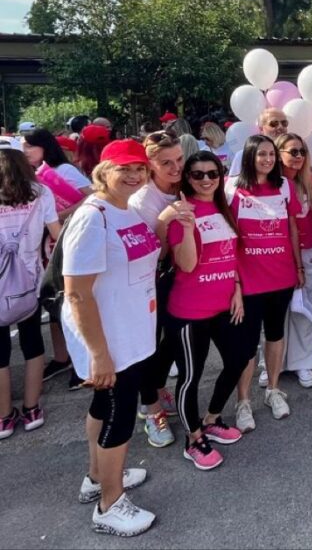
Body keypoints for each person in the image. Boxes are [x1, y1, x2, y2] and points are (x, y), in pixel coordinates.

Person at [61, 139, 161, 537]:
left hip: (131, 330)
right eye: (125, 168)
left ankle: (96, 477)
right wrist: (99, 354)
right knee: (120, 414)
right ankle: (110, 505)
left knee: (104, 404)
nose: (134, 175)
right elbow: (76, 293)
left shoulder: (126, 209)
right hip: (110, 338)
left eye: (140, 168)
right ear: (104, 172)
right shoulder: (92, 217)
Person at [164, 152, 248, 471]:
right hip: (189, 312)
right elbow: (186, 265)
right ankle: (193, 438)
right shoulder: (181, 212)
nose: (206, 180)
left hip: (223, 306)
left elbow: (232, 254)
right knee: (191, 376)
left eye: (212, 173)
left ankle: (211, 419)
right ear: (187, 178)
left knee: (238, 359)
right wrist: (187, 228)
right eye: (198, 174)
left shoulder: (223, 208)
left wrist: (236, 287)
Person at [226, 135, 302, 430]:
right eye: (261, 154)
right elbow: (228, 235)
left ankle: (273, 389)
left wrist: (298, 266)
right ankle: (243, 401)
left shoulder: (285, 186)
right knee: (246, 343)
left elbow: (292, 228)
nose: (268, 159)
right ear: (249, 156)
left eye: (271, 154)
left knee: (275, 334)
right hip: (248, 279)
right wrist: (233, 279)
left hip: (280, 275)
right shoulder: (232, 187)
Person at [129, 130, 186, 449]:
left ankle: (157, 387)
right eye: (166, 163)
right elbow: (153, 254)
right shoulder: (142, 201)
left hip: (182, 279)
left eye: (179, 159)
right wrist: (165, 221)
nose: (176, 167)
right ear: (150, 165)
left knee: (175, 340)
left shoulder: (184, 185)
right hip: (149, 282)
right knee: (149, 346)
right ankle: (150, 409)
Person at [21, 128, 92, 385]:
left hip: (68, 242)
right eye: (23, 146)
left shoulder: (63, 170)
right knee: (53, 304)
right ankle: (62, 357)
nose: (25, 151)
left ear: (45, 146)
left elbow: (92, 197)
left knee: (68, 302)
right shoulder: (31, 175)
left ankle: (83, 361)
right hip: (46, 246)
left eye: (30, 146)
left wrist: (56, 215)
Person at [0, 149, 60, 438]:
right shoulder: (41, 193)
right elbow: (57, 233)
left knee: (0, 353)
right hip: (30, 281)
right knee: (33, 343)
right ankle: (32, 408)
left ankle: (3, 417)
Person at [277, 133, 312, 389]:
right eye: (293, 151)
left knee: (307, 308)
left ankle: (304, 361)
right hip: (276, 257)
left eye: (302, 152)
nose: (298, 156)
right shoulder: (269, 184)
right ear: (279, 154)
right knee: (276, 312)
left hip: (309, 253)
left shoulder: (311, 182)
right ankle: (273, 362)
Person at [227, 108, 289, 177]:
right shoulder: (243, 155)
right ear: (261, 128)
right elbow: (232, 182)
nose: (280, 127)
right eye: (274, 123)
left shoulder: (294, 153)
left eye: (284, 123)